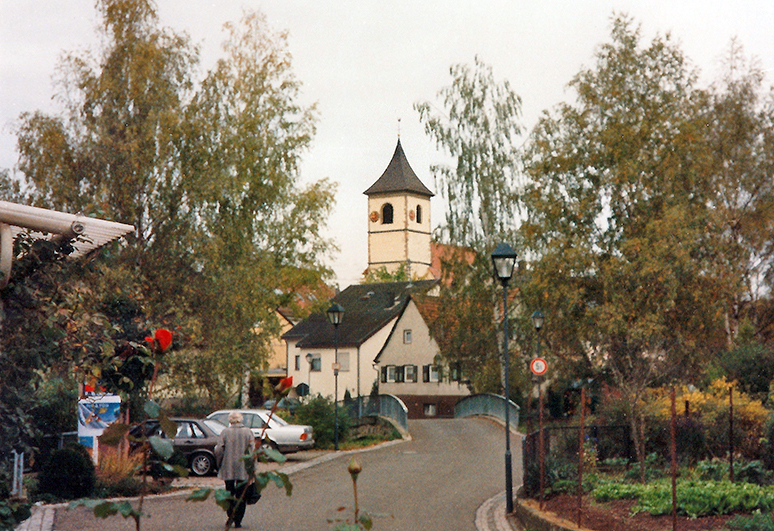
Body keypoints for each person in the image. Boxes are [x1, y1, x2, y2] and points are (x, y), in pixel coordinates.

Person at [215, 411, 255, 528]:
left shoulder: (225, 432)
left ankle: (230, 514)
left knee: (229, 492)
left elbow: (218, 450)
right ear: (241, 419)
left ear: (230, 420)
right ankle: (238, 520)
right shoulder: (248, 432)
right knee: (241, 494)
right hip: (244, 468)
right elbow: (253, 451)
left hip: (228, 467)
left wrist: (219, 463)